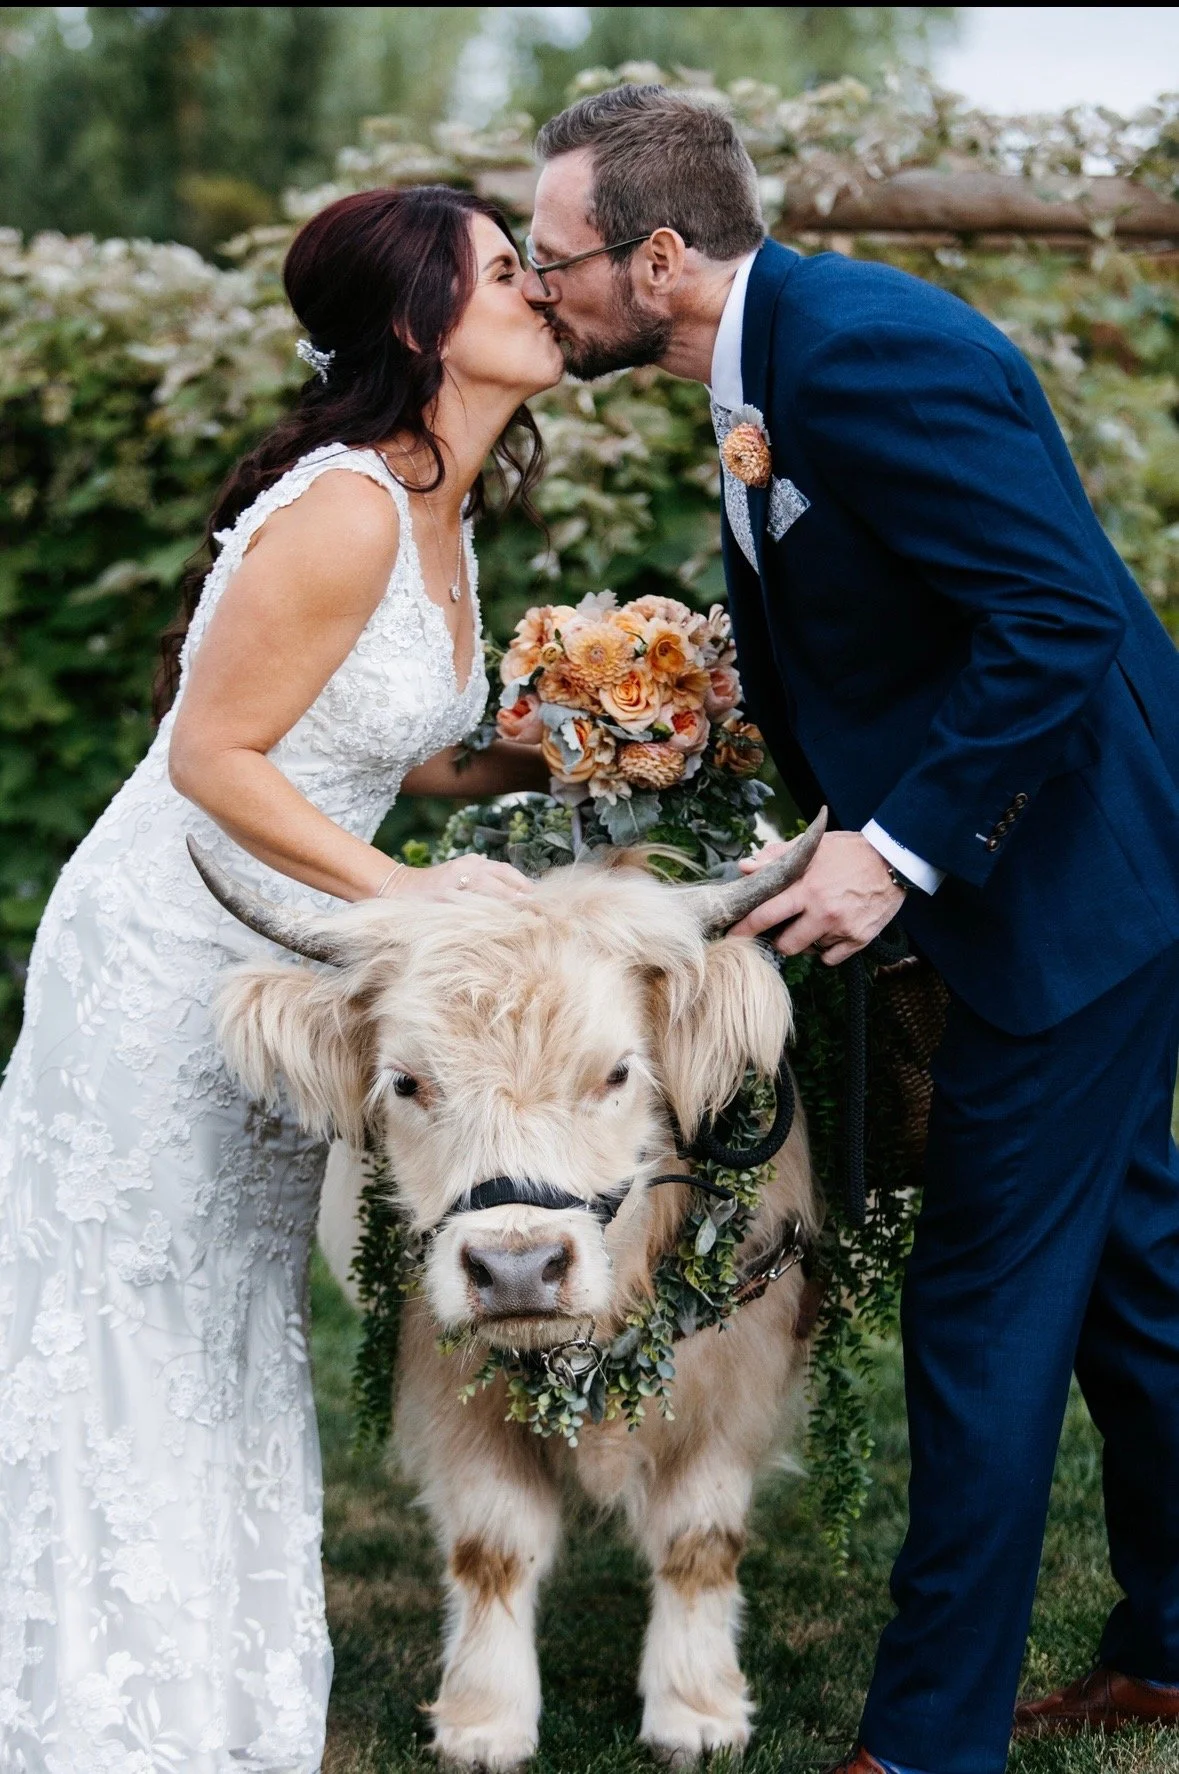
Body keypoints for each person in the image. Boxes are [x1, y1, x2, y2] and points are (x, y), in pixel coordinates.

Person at [525, 82, 1179, 1774]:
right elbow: (924, 612)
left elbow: (1055, 613)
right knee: (1127, 1275)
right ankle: (1174, 1639)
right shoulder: (770, 360)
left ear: (658, 257)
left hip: (1069, 883)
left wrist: (897, 847)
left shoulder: (861, 349)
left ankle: (923, 1743)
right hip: (1045, 866)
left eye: (556, 257)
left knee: (983, 1307)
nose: (539, 289)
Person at [0, 184, 557, 1770]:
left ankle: (217, 1693)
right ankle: (98, 1713)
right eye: (504, 272)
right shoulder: (347, 507)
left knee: (230, 1311)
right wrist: (416, 907)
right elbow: (216, 757)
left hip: (282, 947)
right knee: (133, 1309)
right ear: (416, 322)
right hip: (167, 951)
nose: (536, 292)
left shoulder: (439, 497)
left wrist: (569, 740)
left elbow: (378, 747)